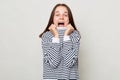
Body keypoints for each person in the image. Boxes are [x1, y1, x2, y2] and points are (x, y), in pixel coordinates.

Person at [39, 3, 81, 80]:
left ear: (69, 19)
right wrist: (56, 37)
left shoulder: (75, 35)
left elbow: (70, 62)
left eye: (65, 15)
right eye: (57, 15)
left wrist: (66, 36)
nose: (61, 17)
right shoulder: (46, 36)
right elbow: (53, 63)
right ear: (52, 18)